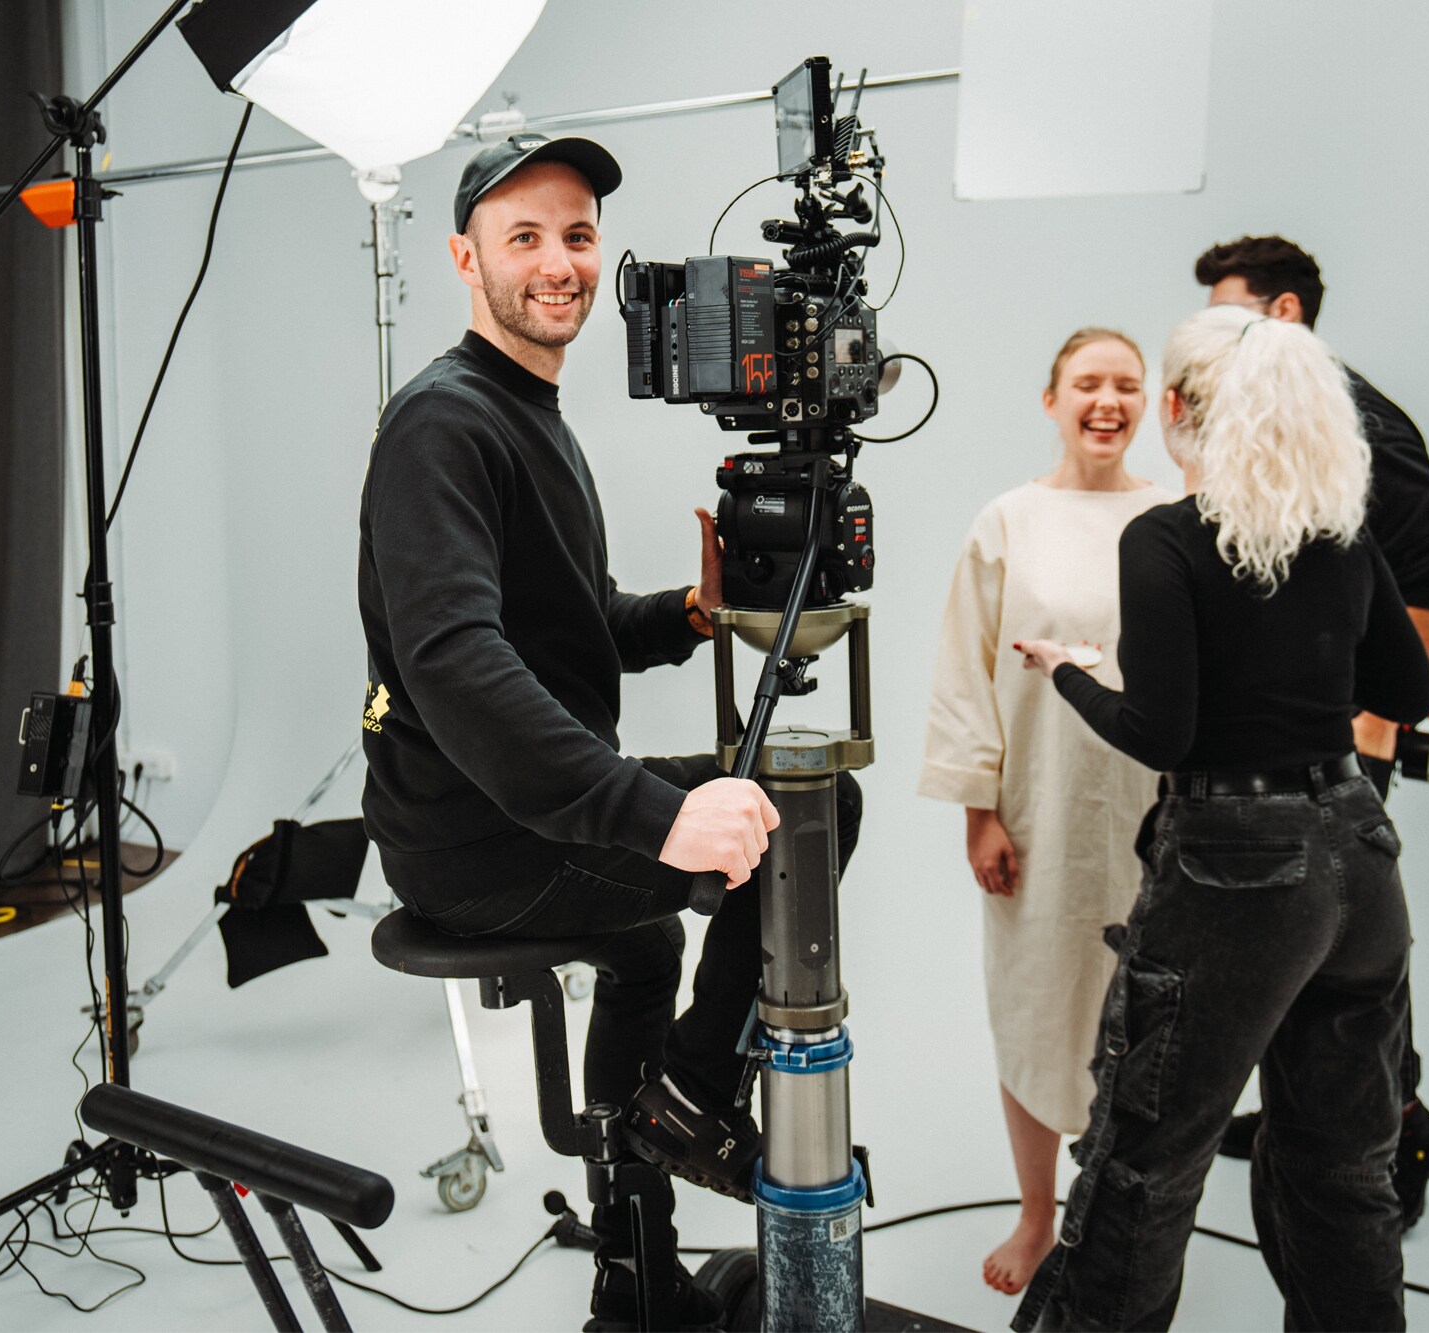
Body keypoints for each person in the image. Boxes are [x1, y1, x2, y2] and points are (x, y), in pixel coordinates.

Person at [356, 133, 862, 1330]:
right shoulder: (443, 421)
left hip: (517, 814)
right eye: (522, 237)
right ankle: (684, 1100)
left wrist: (683, 615)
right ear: (462, 258)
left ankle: (634, 1265)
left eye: (576, 236)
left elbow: (560, 627)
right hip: (476, 837)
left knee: (700, 897)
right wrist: (662, 813)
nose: (558, 264)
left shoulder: (522, 409)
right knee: (746, 846)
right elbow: (454, 659)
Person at [1009, 304, 1429, 1331]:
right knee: (1343, 1161)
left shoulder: (1166, 539)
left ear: (1174, 412)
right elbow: (1405, 680)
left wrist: (1068, 673)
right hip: (1355, 853)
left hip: (1233, 874)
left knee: (1143, 1163)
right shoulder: (1340, 534)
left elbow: (1162, 732)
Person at [1196, 235, 1429, 1226]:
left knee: (1349, 939)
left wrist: (1380, 721)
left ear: (1279, 316)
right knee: (1298, 933)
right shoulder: (1294, 411)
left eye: (1228, 316)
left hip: (1344, 737)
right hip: (1290, 722)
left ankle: (1400, 1138)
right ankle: (1299, 1111)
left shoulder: (1351, 414)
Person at [919, 328, 1176, 1298]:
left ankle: (1118, 1219)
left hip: (1151, 815)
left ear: (1145, 402)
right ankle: (1037, 1212)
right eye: (1086, 383)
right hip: (1037, 808)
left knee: (1143, 1019)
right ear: (1049, 399)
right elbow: (961, 671)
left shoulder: (1174, 515)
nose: (1106, 401)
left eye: (1125, 385)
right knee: (1035, 1009)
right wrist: (976, 811)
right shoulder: (1006, 521)